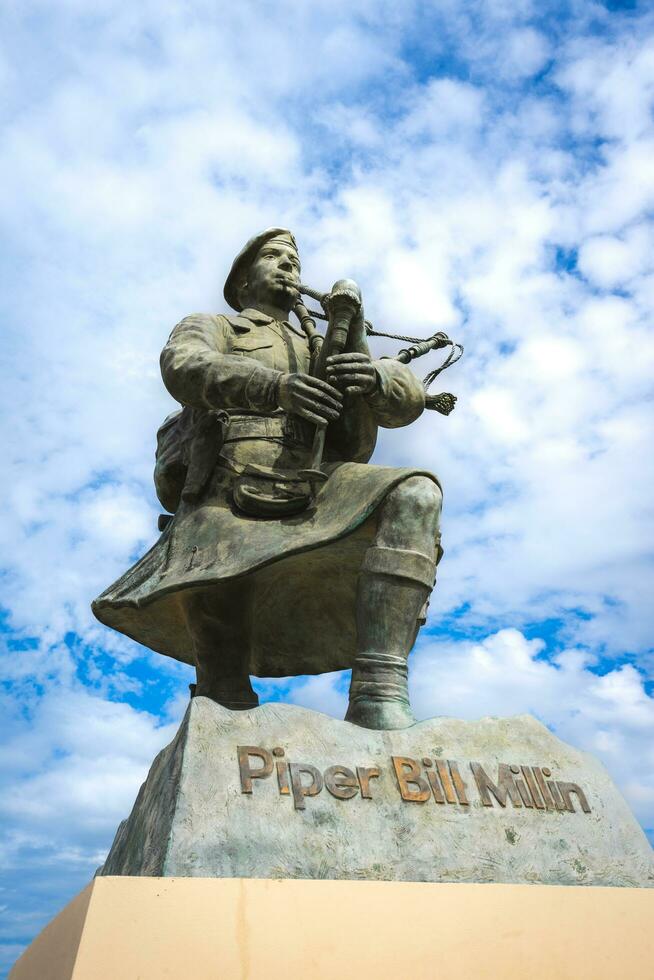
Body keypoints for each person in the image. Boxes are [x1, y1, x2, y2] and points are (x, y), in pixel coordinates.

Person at [93, 228, 443, 730]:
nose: (288, 267)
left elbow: (393, 412)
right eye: (273, 258)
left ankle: (379, 689)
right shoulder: (218, 326)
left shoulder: (323, 342)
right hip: (228, 484)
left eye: (294, 261)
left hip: (319, 481)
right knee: (221, 637)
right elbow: (183, 366)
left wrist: (373, 375)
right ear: (242, 283)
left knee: (415, 492)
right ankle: (222, 702)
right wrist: (275, 387)